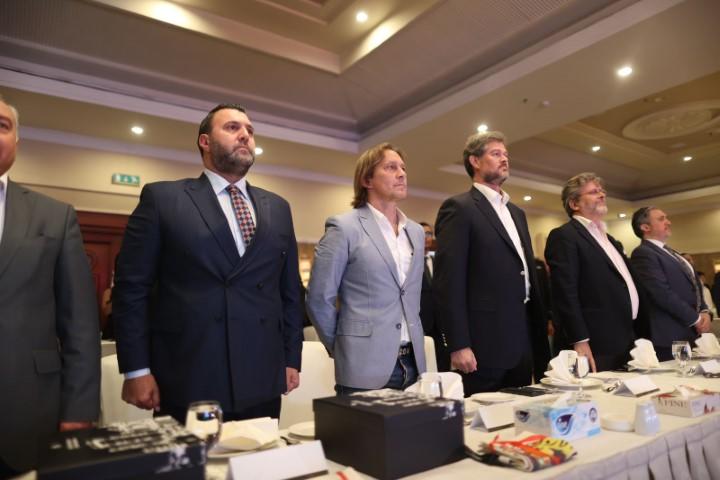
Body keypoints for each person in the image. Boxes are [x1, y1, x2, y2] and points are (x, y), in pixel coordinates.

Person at [113, 104, 303, 422]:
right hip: (189, 372)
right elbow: (131, 289)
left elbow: (291, 292)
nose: (244, 134)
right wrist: (136, 369)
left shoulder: (279, 207)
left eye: (250, 130)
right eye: (232, 127)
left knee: (259, 455)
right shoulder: (164, 199)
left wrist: (291, 358)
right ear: (204, 141)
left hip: (262, 372)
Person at [0, 95, 100, 477]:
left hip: (27, 415)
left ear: (16, 140)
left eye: (2, 126)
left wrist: (79, 409)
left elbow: (80, 326)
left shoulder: (54, 217)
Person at [433, 131, 550, 394]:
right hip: (482, 343)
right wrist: (458, 343)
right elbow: (448, 282)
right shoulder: (459, 208)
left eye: (505, 154)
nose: (504, 159)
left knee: (521, 412)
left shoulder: (517, 213)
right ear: (474, 161)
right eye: (496, 154)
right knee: (481, 416)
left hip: (522, 336)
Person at [306, 143, 426, 394]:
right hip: (363, 366)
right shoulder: (344, 227)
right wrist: (344, 347)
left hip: (414, 364)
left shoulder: (415, 231)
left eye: (403, 168)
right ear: (366, 179)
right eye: (391, 167)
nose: (401, 174)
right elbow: (319, 298)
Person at [545, 172, 639, 372]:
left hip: (626, 337)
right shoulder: (564, 236)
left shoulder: (610, 239)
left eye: (602, 191)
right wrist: (579, 339)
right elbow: (565, 292)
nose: (602, 194)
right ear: (574, 204)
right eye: (594, 192)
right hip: (595, 342)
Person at [629, 207, 710, 360]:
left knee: (692, 375)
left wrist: (704, 310)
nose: (668, 222)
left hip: (689, 331)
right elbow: (660, 293)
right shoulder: (643, 253)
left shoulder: (672, 252)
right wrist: (695, 319)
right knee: (676, 374)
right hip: (669, 335)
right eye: (661, 219)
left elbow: (694, 285)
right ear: (645, 227)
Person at [419, 221, 450, 371]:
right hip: (421, 320)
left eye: (429, 234)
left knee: (443, 359)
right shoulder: (410, 262)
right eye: (423, 234)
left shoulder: (438, 261)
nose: (426, 237)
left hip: (441, 320)